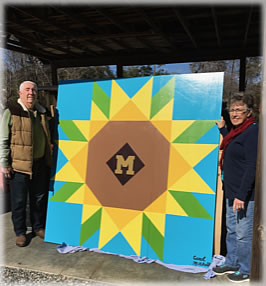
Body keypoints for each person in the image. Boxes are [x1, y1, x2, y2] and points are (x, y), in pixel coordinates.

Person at [0, 81, 53, 247]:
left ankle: (38, 227)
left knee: (39, 198)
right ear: (20, 93)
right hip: (19, 166)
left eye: (34, 90)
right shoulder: (11, 111)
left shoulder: (42, 112)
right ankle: (20, 232)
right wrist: (4, 163)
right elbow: (3, 139)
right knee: (19, 202)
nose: (31, 93)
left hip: (39, 164)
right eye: (27, 90)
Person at [213, 92, 258, 283]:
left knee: (242, 235)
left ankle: (246, 269)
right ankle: (232, 261)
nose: (234, 113)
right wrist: (223, 130)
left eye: (239, 109)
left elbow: (251, 166)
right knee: (231, 230)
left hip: (243, 195)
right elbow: (231, 145)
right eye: (232, 109)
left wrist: (242, 195)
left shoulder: (253, 131)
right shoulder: (237, 132)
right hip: (232, 192)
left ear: (248, 112)